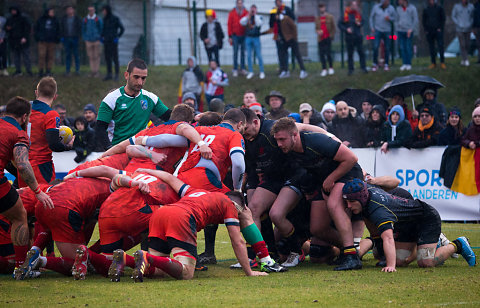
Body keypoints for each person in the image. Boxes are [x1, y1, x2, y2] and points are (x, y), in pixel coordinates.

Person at [113, 171, 268, 281]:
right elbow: (237, 241)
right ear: (238, 207)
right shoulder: (229, 204)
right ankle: (146, 256)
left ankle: (126, 259)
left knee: (160, 271)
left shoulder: (198, 192)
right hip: (181, 217)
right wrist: (249, 272)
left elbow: (169, 177)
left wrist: (145, 170)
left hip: (160, 214)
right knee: (187, 273)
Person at [271, 117, 364, 271]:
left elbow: (351, 158)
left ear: (295, 135)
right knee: (318, 228)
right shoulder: (290, 150)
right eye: (277, 140)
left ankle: (352, 257)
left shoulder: (316, 142)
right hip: (326, 180)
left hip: (347, 173)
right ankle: (349, 250)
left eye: (282, 139)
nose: (279, 144)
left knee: (334, 204)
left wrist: (331, 178)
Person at [342, 178, 476, 272]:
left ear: (361, 198)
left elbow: (388, 238)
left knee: (425, 263)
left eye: (352, 201)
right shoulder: (366, 190)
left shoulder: (379, 211)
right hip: (406, 225)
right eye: (346, 201)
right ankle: (431, 245)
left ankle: (458, 244)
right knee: (402, 261)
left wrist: (390, 266)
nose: (348, 206)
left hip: (425, 219)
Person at [0, 96, 53, 280]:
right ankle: (21, 268)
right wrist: (37, 191)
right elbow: (23, 165)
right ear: (24, 117)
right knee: (20, 216)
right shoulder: (18, 133)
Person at [95, 58, 171, 150]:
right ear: (126, 75)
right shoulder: (111, 99)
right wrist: (110, 149)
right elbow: (100, 129)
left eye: (143, 78)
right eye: (136, 77)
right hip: (118, 151)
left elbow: (170, 116)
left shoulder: (151, 98)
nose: (140, 82)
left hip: (141, 151)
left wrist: (192, 116)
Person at [18, 77, 73, 188]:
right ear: (55, 96)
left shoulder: (23, 109)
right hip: (41, 166)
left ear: (36, 92)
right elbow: (54, 144)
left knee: (25, 201)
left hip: (22, 163)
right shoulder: (51, 114)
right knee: (44, 200)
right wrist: (68, 146)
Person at [272, 0, 307, 79]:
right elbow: (272, 21)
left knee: (297, 54)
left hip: (290, 37)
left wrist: (294, 36)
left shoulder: (287, 9)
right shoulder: (274, 10)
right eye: (277, 2)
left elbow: (293, 22)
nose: (278, 3)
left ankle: (303, 70)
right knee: (282, 55)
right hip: (281, 37)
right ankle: (285, 70)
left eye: (279, 2)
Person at [338, 1, 367, 75]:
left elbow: (363, 21)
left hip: (358, 36)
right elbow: (339, 24)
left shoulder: (358, 14)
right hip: (349, 37)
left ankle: (363, 67)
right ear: (351, 6)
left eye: (356, 5)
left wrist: (360, 23)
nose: (356, 6)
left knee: (361, 52)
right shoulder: (345, 14)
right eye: (354, 5)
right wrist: (346, 29)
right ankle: (350, 69)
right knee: (350, 54)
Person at [5, 6, 32, 77]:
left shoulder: (23, 18)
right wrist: (8, 28)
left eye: (14, 10)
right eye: (12, 10)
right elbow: (7, 28)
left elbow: (27, 28)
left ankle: (29, 71)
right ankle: (18, 70)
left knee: (26, 56)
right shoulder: (10, 19)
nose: (13, 12)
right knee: (16, 56)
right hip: (14, 41)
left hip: (23, 40)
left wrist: (25, 37)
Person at [369, 0, 396, 71]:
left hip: (387, 31)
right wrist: (372, 27)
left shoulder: (391, 8)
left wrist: (389, 19)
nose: (388, 2)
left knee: (387, 48)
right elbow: (371, 18)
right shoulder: (376, 8)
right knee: (375, 47)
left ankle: (386, 64)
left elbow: (395, 18)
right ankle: (375, 64)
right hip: (377, 30)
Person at [240, 4, 265, 80]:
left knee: (258, 55)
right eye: (252, 9)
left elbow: (259, 24)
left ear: (256, 10)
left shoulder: (259, 17)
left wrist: (255, 15)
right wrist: (248, 16)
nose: (253, 11)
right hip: (248, 38)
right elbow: (241, 22)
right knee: (248, 55)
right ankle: (251, 71)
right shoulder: (247, 17)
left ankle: (262, 71)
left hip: (256, 38)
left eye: (254, 9)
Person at [34, 8, 60, 77]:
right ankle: (41, 71)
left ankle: (48, 71)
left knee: (50, 56)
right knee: (42, 56)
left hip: (51, 41)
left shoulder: (55, 20)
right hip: (42, 41)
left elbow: (58, 30)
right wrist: (39, 38)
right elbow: (36, 29)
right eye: (51, 12)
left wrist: (57, 38)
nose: (52, 13)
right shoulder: (41, 20)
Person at [101, 5, 124, 81]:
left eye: (104, 10)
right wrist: (102, 37)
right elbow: (103, 30)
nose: (103, 12)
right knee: (107, 58)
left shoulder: (115, 19)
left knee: (115, 58)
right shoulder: (104, 19)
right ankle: (109, 74)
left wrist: (117, 37)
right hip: (106, 42)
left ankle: (116, 74)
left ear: (107, 10)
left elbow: (122, 29)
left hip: (113, 42)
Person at [423, 0, 446, 69]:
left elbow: (443, 19)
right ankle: (433, 63)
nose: (431, 1)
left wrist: (440, 28)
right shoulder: (426, 9)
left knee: (440, 46)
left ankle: (442, 62)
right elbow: (423, 20)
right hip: (429, 31)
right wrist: (426, 30)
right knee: (431, 48)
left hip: (438, 31)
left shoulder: (440, 8)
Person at [396, 0, 418, 71]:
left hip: (408, 31)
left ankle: (409, 64)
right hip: (400, 31)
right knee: (402, 48)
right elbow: (396, 20)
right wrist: (397, 27)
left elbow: (415, 20)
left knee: (408, 47)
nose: (399, 1)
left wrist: (411, 29)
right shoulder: (398, 9)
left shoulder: (412, 8)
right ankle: (404, 64)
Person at [228, 0, 248, 77]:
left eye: (241, 3)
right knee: (235, 53)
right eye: (238, 3)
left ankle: (243, 68)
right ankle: (235, 69)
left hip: (244, 35)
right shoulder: (232, 13)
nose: (239, 5)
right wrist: (230, 36)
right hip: (235, 35)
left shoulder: (246, 12)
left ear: (243, 3)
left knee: (243, 52)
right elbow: (229, 25)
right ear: (236, 4)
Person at [82, 5, 103, 78]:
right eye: (89, 10)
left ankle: (96, 71)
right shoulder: (85, 19)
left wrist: (99, 36)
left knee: (96, 56)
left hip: (96, 40)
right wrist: (85, 38)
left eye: (92, 10)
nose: (91, 11)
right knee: (91, 56)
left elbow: (101, 28)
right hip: (88, 40)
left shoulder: (97, 19)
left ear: (94, 11)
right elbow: (83, 29)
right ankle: (92, 71)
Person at [60, 6, 81, 76]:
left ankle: (77, 70)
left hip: (75, 38)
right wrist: (62, 37)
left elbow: (79, 28)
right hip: (66, 39)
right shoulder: (64, 19)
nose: (69, 11)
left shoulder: (77, 19)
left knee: (76, 55)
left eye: (71, 9)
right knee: (68, 55)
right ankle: (67, 70)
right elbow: (62, 28)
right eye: (68, 9)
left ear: (73, 10)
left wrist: (78, 37)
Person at [316, 2, 336, 77]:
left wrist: (331, 36)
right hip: (320, 39)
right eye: (320, 7)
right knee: (322, 54)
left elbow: (333, 28)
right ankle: (324, 69)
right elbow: (316, 28)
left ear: (325, 8)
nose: (322, 9)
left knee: (328, 53)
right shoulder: (317, 18)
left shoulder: (330, 17)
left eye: (323, 7)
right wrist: (318, 31)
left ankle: (331, 68)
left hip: (328, 38)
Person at [452, 0, 474, 66]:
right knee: (462, 45)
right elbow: (453, 16)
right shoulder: (456, 7)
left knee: (467, 44)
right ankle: (465, 59)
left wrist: (470, 23)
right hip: (459, 29)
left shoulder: (471, 7)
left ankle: (464, 58)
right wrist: (458, 23)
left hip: (468, 28)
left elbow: (473, 16)